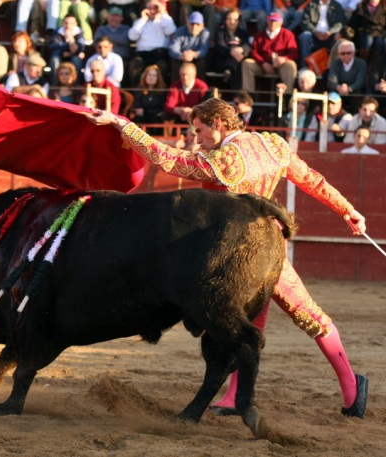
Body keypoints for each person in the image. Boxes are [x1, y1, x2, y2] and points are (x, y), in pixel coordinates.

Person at [84, 96, 369, 420]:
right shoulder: (272, 144)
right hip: (268, 245)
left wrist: (123, 125)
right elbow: (311, 180)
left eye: (200, 130)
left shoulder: (224, 161)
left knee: (258, 317)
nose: (197, 139)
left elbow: (168, 159)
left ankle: (348, 386)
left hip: (237, 250)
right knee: (290, 318)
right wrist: (349, 211)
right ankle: (343, 389)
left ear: (218, 124)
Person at [241, 11, 298, 95]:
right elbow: (253, 51)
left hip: (281, 66)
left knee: (291, 65)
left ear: (281, 22)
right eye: (271, 20)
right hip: (263, 65)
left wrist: (284, 59)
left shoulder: (287, 35)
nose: (273, 23)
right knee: (247, 63)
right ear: (267, 21)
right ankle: (248, 97)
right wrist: (263, 63)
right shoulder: (260, 35)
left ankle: (287, 97)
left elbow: (294, 53)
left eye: (275, 21)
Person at [127, 0, 177, 86]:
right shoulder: (140, 22)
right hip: (143, 54)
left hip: (159, 55)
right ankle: (137, 92)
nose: (152, 11)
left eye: (155, 8)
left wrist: (163, 13)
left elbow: (171, 31)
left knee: (163, 65)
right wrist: (143, 20)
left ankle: (160, 92)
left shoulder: (165, 20)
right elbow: (132, 36)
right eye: (149, 8)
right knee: (135, 64)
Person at [298, 0, 347, 69]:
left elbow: (340, 23)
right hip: (314, 35)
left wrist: (330, 32)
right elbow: (304, 22)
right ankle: (304, 68)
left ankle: (335, 70)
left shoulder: (336, 6)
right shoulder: (311, 4)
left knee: (339, 38)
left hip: (330, 36)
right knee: (305, 36)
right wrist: (315, 32)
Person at [169, 11, 210, 83]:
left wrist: (194, 54)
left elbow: (204, 50)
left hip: (196, 58)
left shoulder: (205, 33)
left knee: (202, 62)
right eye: (192, 24)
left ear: (202, 25)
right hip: (182, 57)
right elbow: (173, 49)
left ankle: (201, 88)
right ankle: (175, 87)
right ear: (187, 23)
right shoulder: (180, 31)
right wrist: (181, 55)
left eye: (197, 24)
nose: (194, 27)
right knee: (175, 61)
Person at [213, 8, 251, 86]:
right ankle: (229, 69)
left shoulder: (243, 33)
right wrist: (231, 51)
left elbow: (247, 46)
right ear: (225, 20)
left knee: (240, 65)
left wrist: (242, 50)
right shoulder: (220, 32)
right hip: (222, 60)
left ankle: (229, 70)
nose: (232, 22)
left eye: (235, 19)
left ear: (239, 21)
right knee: (234, 61)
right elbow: (220, 46)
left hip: (239, 61)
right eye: (229, 19)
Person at [327, 40, 367, 112]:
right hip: (339, 90)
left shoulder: (361, 64)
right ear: (338, 54)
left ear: (354, 53)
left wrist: (348, 89)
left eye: (349, 53)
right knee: (332, 94)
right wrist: (339, 88)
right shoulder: (335, 63)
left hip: (354, 91)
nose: (346, 56)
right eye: (343, 53)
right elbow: (331, 81)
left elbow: (360, 82)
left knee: (357, 95)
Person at [348, 0, 386, 65]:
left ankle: (374, 65)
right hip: (363, 34)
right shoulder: (361, 7)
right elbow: (353, 24)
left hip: (379, 33)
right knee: (368, 39)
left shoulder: (385, 9)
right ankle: (363, 63)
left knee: (379, 42)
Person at [47, 14, 86, 84]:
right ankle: (54, 86)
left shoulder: (79, 33)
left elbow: (80, 47)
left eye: (71, 23)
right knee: (54, 60)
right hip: (59, 56)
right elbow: (53, 47)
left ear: (76, 24)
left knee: (77, 60)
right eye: (66, 23)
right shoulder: (57, 32)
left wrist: (70, 38)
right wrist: (67, 50)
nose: (68, 26)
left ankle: (76, 86)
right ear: (63, 23)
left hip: (73, 57)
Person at [132, 64, 167, 129]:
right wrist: (153, 111)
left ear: (158, 78)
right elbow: (138, 109)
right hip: (142, 119)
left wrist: (145, 111)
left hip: (156, 120)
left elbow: (161, 109)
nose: (151, 77)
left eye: (154, 76)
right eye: (149, 75)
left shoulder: (162, 91)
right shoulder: (139, 89)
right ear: (145, 76)